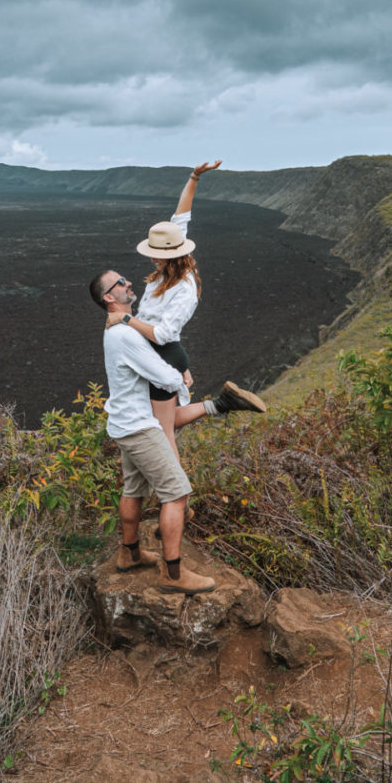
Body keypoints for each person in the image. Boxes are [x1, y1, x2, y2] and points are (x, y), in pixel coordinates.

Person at [90, 268, 265, 594]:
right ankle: (172, 575)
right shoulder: (125, 334)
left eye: (125, 278)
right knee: (177, 494)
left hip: (125, 423)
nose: (129, 283)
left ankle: (129, 554)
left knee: (134, 489)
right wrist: (180, 376)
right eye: (120, 283)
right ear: (109, 297)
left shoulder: (118, 330)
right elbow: (166, 379)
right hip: (142, 429)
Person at [107, 160, 265, 451]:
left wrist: (124, 319)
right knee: (158, 421)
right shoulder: (169, 267)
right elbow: (181, 216)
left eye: (157, 255)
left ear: (173, 254)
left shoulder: (184, 289)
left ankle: (177, 493)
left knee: (163, 432)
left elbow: (164, 335)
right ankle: (220, 405)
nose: (152, 258)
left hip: (163, 352)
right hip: (158, 354)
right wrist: (194, 177)